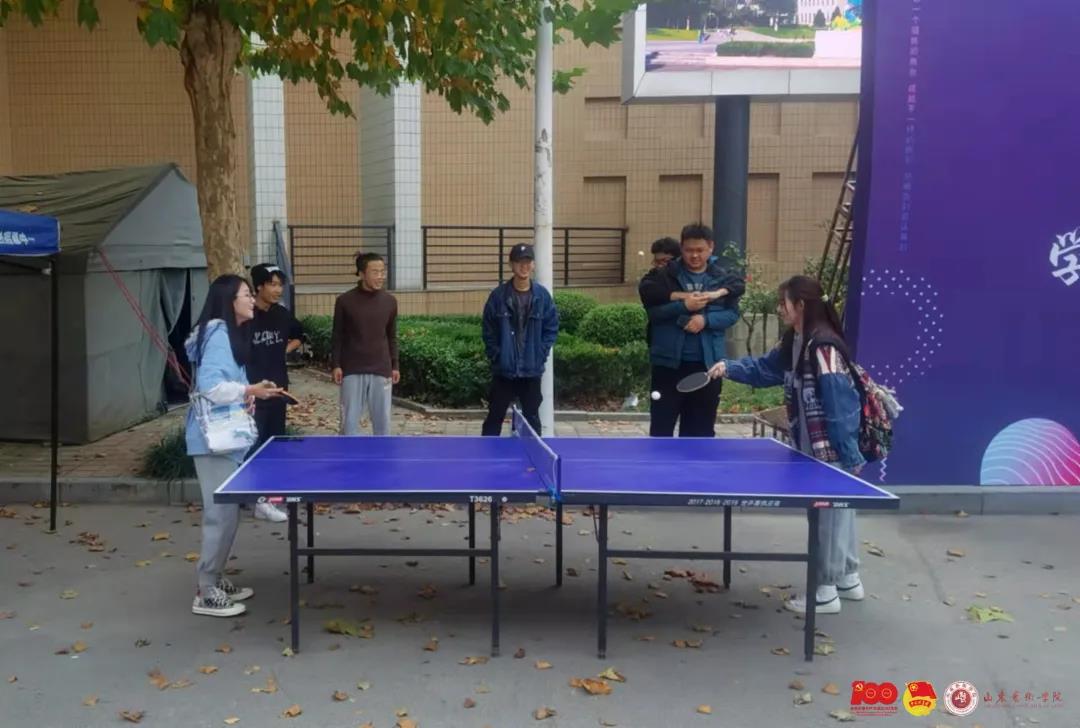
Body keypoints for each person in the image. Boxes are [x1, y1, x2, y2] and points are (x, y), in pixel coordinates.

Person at [708, 275, 865, 615]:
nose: (780, 308)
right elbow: (766, 370)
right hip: (811, 444)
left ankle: (825, 591)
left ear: (801, 305)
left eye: (784, 303)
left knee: (828, 516)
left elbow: (840, 404)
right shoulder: (796, 340)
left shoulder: (823, 346)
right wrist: (730, 368)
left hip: (828, 448)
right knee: (840, 512)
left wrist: (849, 455)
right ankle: (847, 578)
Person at [185, 275, 283, 617]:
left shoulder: (229, 334)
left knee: (228, 515)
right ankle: (205, 591)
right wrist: (249, 391)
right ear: (230, 301)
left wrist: (250, 391)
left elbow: (229, 384)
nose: (252, 299)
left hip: (227, 439)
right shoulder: (218, 335)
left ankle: (215, 578)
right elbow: (211, 387)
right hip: (212, 441)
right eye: (246, 294)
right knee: (220, 516)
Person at [639, 223, 744, 437]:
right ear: (681, 248)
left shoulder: (722, 277)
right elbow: (653, 313)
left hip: (707, 366)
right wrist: (683, 306)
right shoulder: (664, 275)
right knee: (661, 432)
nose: (694, 255)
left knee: (700, 434)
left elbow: (732, 314)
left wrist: (705, 320)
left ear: (711, 247)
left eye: (700, 250)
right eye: (689, 250)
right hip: (668, 364)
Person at [245, 263, 303, 523]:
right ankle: (255, 498)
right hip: (253, 392)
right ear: (258, 286)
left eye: (280, 285)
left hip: (278, 389)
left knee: (273, 445)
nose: (278, 290)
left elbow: (299, 335)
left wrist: (283, 350)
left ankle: (271, 496)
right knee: (253, 445)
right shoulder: (246, 314)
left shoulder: (281, 314)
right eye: (273, 284)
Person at [481, 243, 559, 436]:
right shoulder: (498, 296)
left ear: (533, 265)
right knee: (494, 417)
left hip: (531, 370)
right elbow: (488, 330)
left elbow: (551, 328)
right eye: (519, 262)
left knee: (532, 419)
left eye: (527, 262)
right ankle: (487, 453)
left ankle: (532, 455)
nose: (524, 266)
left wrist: (540, 353)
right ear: (511, 265)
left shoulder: (542, 296)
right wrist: (498, 355)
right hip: (504, 371)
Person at [332, 253, 400, 436]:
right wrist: (336, 364)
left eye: (382, 272)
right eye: (375, 272)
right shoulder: (344, 301)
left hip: (381, 369)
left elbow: (392, 336)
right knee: (349, 425)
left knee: (383, 424)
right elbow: (337, 335)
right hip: (352, 369)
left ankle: (382, 454)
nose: (380, 276)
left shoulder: (390, 302)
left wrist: (395, 365)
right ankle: (348, 454)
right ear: (362, 274)